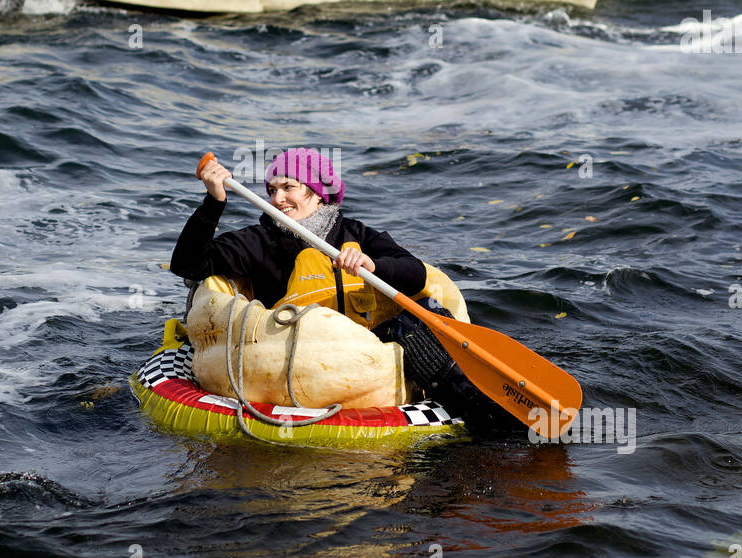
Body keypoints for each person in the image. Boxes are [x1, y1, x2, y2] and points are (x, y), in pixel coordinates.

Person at [170, 148, 502, 425]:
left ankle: (490, 411)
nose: (277, 199)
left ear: (316, 193)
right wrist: (214, 202)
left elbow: (415, 274)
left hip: (363, 355)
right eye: (272, 191)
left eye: (288, 188)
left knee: (423, 319)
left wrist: (374, 265)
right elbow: (187, 264)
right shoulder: (258, 241)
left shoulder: (356, 234)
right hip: (292, 359)